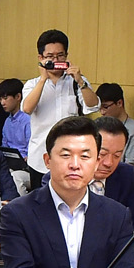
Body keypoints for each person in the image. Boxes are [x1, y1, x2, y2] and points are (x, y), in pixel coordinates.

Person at [0, 117, 134, 268]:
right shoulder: (17, 213)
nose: (75, 164)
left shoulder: (117, 214)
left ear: (96, 162)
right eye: (66, 155)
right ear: (47, 160)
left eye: (85, 156)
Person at [19, 30, 99, 172]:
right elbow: (27, 109)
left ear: (66, 56)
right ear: (40, 57)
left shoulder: (76, 81)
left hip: (71, 155)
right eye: (50, 56)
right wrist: (43, 78)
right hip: (39, 157)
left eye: (60, 55)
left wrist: (80, 81)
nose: (56, 61)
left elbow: (93, 106)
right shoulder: (33, 84)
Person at [90, 116, 134, 214]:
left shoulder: (126, 174)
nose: (109, 163)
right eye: (102, 154)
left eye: (117, 155)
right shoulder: (70, 174)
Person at [94, 82, 134, 166]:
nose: (102, 112)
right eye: (99, 108)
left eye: (105, 107)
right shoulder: (98, 126)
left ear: (119, 103)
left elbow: (130, 166)